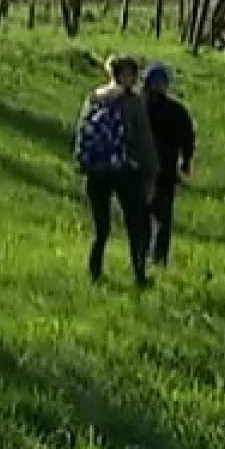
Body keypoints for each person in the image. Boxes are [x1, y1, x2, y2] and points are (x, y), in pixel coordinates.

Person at [74, 55, 160, 287]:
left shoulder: (94, 98)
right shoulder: (132, 102)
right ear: (127, 75)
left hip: (96, 171)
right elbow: (143, 140)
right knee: (137, 224)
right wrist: (151, 172)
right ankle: (140, 275)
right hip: (125, 171)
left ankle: (95, 271)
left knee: (101, 228)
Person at [142, 62, 196, 267]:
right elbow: (187, 139)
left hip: (141, 170)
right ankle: (159, 258)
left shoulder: (138, 107)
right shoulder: (177, 111)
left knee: (142, 214)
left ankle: (141, 253)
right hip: (165, 171)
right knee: (163, 219)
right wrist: (186, 163)